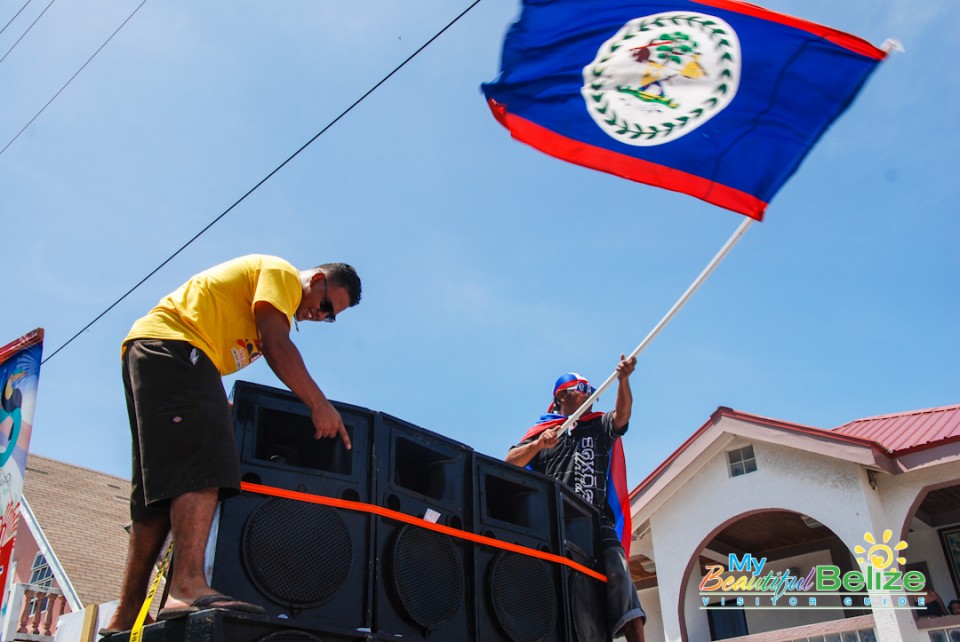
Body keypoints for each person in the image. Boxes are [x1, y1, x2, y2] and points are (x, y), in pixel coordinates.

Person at [103, 255, 361, 634]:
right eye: (325, 306)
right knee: (206, 463)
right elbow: (276, 344)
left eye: (330, 317)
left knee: (156, 494)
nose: (320, 317)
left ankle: (126, 613)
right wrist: (319, 404)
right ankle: (187, 584)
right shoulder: (283, 275)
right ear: (317, 279)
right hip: (175, 346)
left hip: (158, 351)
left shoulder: (263, 303)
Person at [506, 355, 645, 642]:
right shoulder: (544, 432)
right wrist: (538, 444)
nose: (589, 393)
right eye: (580, 389)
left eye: (590, 389)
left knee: (620, 576)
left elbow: (622, 416)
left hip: (597, 521)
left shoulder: (598, 425)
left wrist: (623, 380)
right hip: (559, 525)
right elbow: (510, 461)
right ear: (561, 397)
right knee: (561, 591)